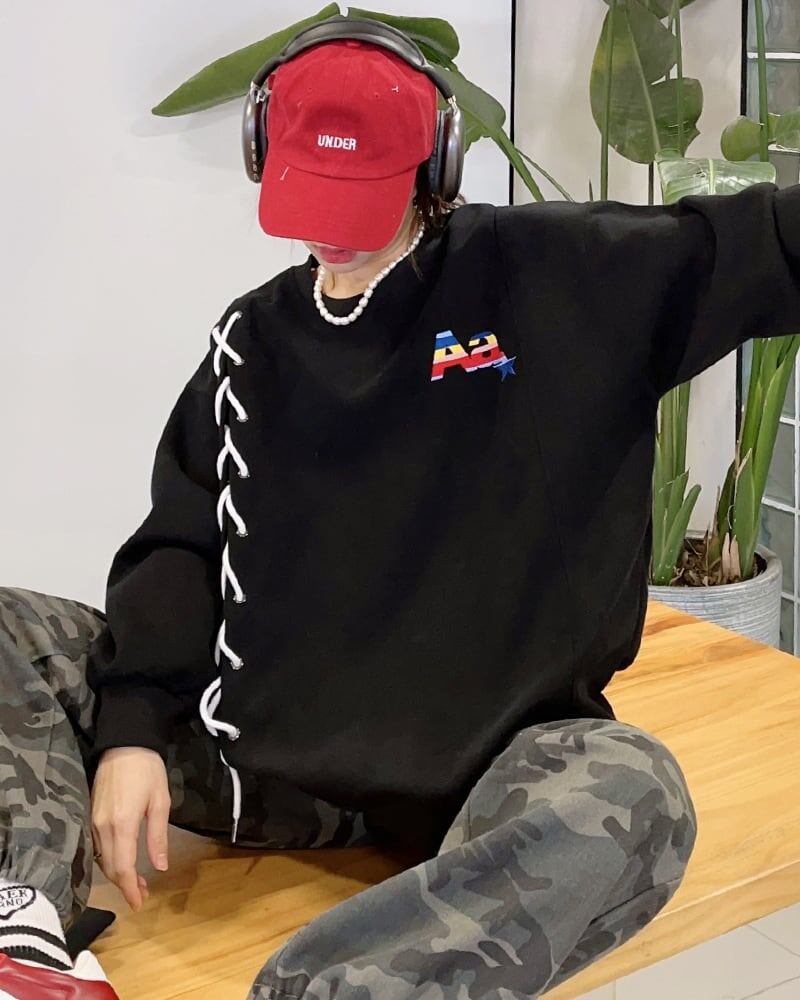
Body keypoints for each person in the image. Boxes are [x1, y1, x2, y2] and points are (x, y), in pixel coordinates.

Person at [2, 24, 800, 1000]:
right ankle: (22, 934)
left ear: (437, 166)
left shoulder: (558, 275)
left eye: (362, 199)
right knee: (10, 628)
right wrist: (132, 727)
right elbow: (182, 543)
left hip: (477, 776)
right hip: (253, 765)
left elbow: (772, 243)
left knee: (633, 792)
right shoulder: (251, 341)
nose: (331, 236)